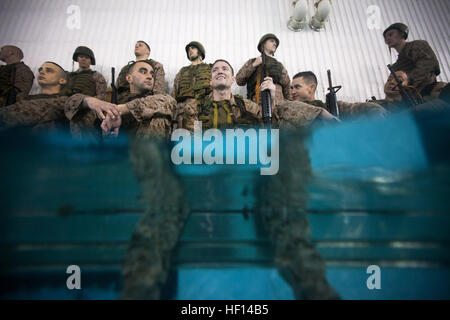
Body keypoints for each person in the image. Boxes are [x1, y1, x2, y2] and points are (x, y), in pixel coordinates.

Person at [121, 59, 340, 300]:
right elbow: (163, 107)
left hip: (242, 184)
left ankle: (316, 291)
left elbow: (277, 120)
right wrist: (117, 113)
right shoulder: (190, 108)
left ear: (233, 80)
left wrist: (317, 113)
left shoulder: (250, 108)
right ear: (210, 80)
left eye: (225, 69)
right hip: (198, 182)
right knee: (160, 217)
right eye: (215, 70)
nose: (219, 72)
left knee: (284, 214)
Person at [65, 60, 175, 139]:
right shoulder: (112, 102)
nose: (150, 76)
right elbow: (69, 104)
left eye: (152, 74)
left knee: (158, 115)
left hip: (142, 153)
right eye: (143, 71)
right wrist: (91, 102)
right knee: (82, 114)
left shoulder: (158, 98)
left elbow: (169, 102)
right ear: (129, 78)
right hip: (115, 153)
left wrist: (119, 110)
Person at [0, 61, 69, 131]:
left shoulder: (63, 102)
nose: (42, 72)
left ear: (62, 80)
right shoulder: (24, 98)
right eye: (40, 70)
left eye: (49, 70)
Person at [290, 71, 386, 119]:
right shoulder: (288, 111)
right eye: (291, 88)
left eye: (297, 87)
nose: (292, 92)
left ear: (312, 87)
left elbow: (367, 108)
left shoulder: (335, 107)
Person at [236, 34, 291, 107]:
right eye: (272, 41)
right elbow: (239, 80)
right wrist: (254, 65)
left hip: (278, 106)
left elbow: (287, 87)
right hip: (255, 106)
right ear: (263, 44)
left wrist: (289, 105)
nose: (275, 44)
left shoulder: (279, 65)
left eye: (276, 43)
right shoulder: (252, 62)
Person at [383, 23, 441, 93]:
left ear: (402, 34)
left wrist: (407, 81)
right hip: (410, 97)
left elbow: (428, 64)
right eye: (385, 38)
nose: (387, 39)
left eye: (391, 34)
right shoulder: (396, 66)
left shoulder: (417, 45)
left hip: (427, 92)